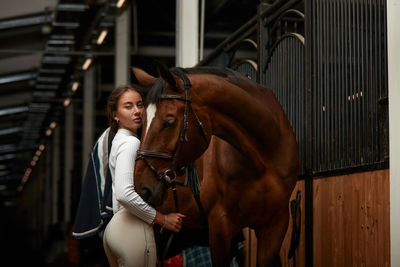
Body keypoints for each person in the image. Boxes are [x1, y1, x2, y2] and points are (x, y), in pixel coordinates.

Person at [103, 84, 185, 267]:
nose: (137, 111)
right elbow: (124, 194)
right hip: (132, 228)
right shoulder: (131, 143)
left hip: (117, 228)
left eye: (140, 104)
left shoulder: (118, 140)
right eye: (128, 106)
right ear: (115, 115)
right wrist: (163, 219)